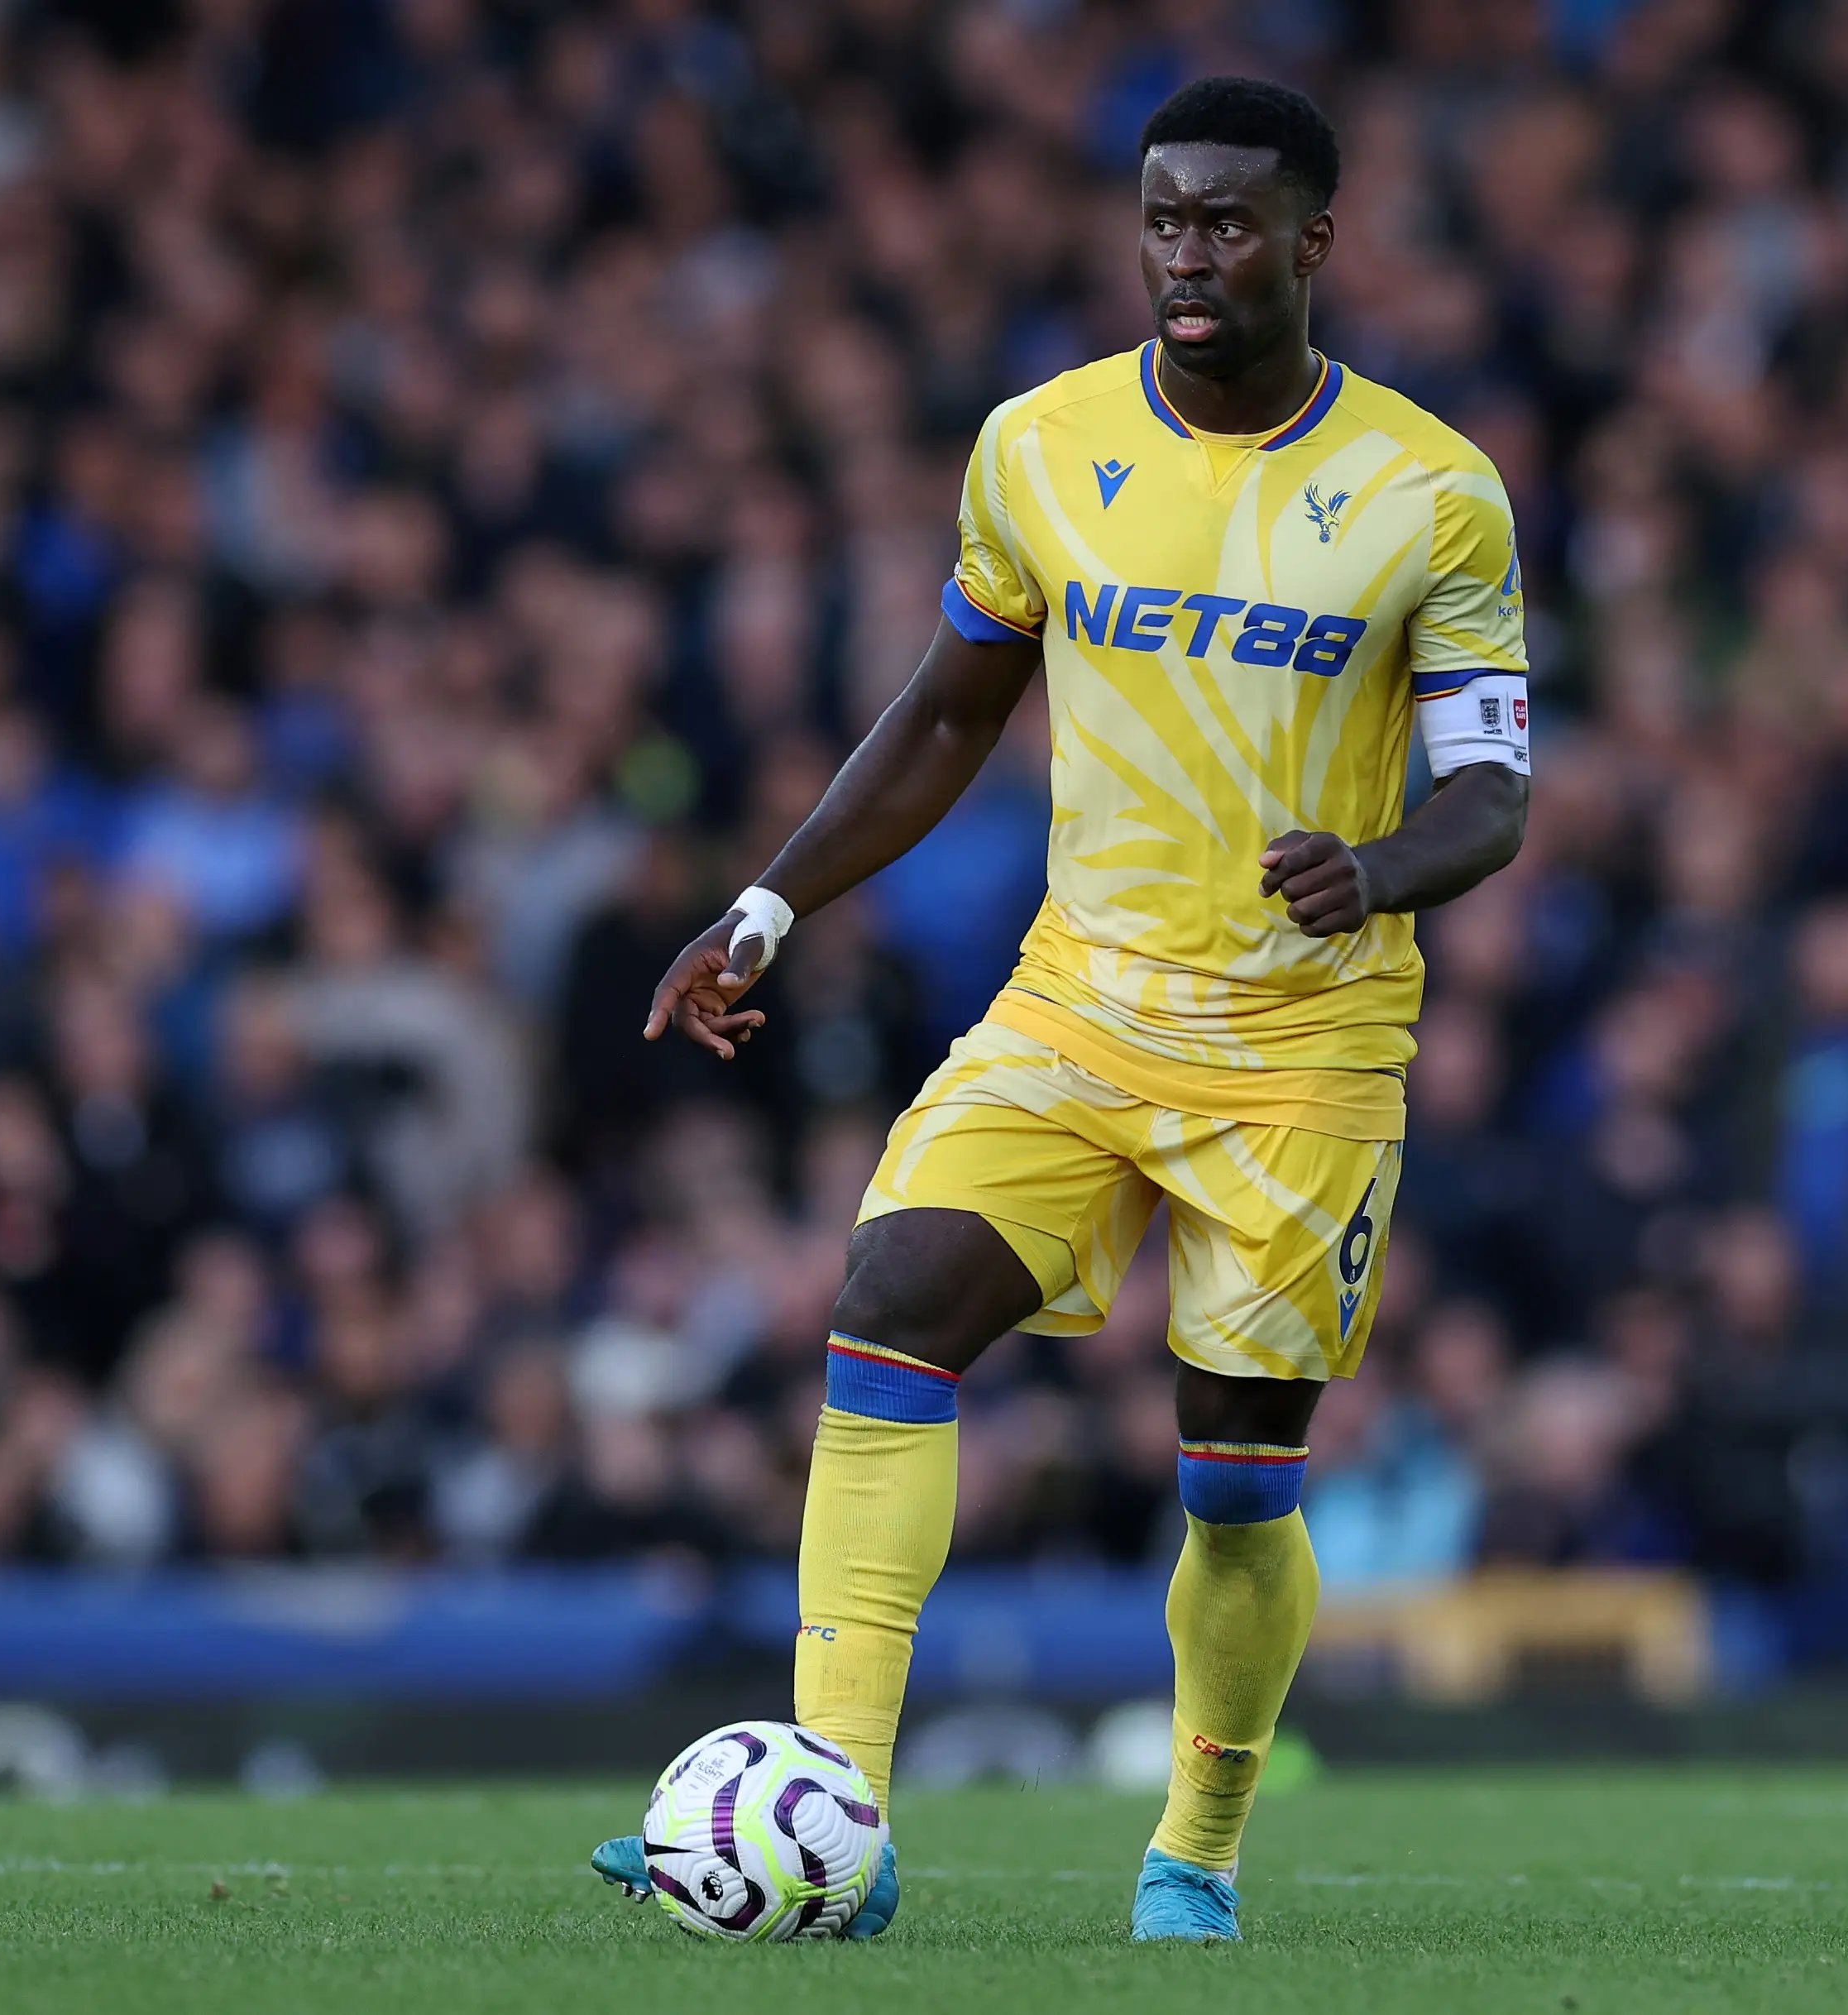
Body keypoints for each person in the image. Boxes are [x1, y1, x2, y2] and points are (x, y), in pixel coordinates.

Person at [591, 78, 1530, 1945]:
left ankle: (1195, 1846)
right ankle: (832, 1806)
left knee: (1235, 1482)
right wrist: (771, 902)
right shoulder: (1040, 445)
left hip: (1301, 1051)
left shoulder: (1433, 493)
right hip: (1080, 1006)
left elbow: (1494, 795)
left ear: (1314, 240)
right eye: (1167, 219)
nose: (1191, 255)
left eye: (1231, 224)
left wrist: (1384, 866)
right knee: (887, 1303)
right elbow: (948, 713)